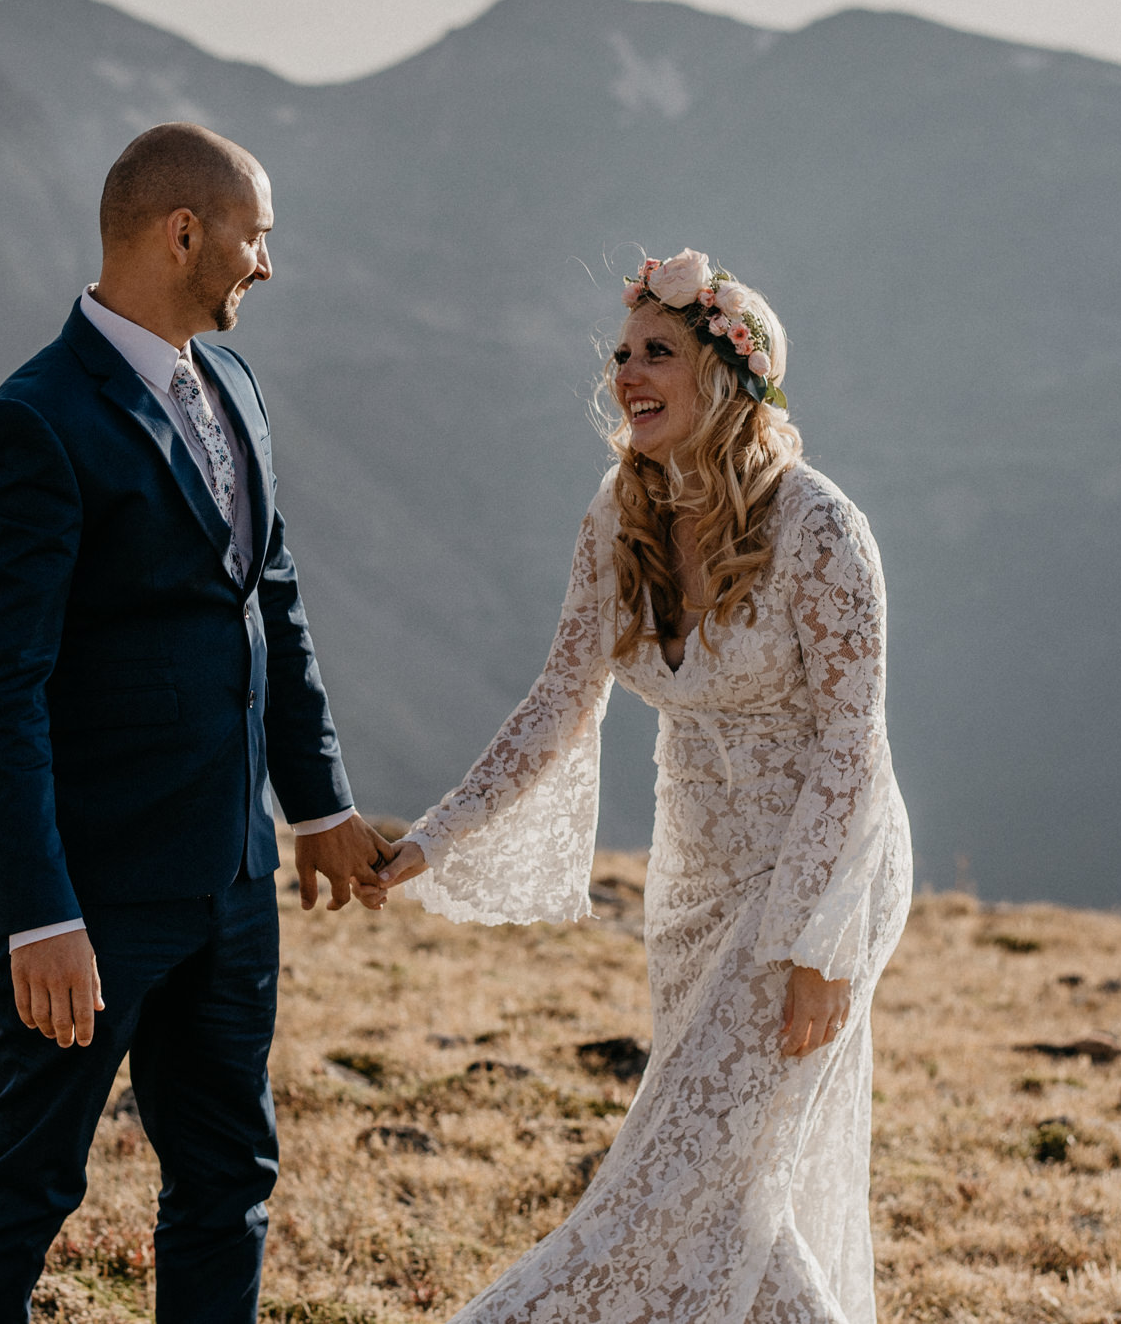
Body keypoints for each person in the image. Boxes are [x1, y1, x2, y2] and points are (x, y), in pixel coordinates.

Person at [372, 248, 914, 1324]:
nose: (626, 373)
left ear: (728, 377)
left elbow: (853, 751)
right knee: (721, 1190)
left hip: (816, 878)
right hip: (695, 884)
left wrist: (817, 945)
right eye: (620, 355)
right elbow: (557, 701)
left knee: (678, 1187)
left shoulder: (820, 529)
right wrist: (432, 839)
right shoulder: (618, 515)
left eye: (657, 351)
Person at [0, 122, 397, 1324]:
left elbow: (269, 604)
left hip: (234, 884)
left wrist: (321, 805)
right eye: (257, 234)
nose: (267, 263)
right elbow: (0, 688)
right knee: (32, 1180)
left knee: (228, 1181)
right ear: (182, 231)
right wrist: (40, 911)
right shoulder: (33, 422)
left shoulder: (233, 384)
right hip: (94, 896)